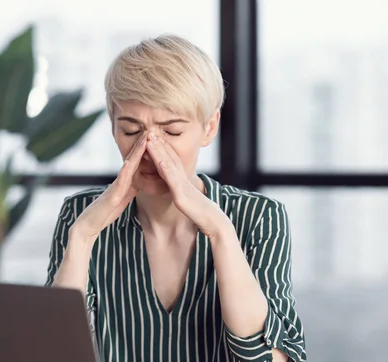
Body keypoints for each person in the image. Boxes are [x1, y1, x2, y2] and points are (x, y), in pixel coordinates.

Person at [45, 34, 306, 362]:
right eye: (130, 131)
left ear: (209, 127)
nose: (150, 152)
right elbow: (53, 350)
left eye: (171, 132)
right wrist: (82, 238)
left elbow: (273, 359)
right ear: (113, 127)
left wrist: (221, 232)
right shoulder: (80, 214)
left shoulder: (259, 216)